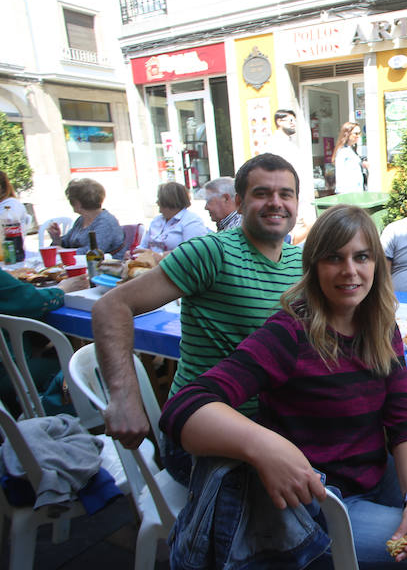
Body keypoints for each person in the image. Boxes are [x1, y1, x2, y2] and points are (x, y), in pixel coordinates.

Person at [159, 205, 407, 568]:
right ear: (313, 266)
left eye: (361, 257)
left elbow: (403, 419)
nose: (350, 271)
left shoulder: (380, 328)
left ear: (377, 264)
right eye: (334, 258)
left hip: (375, 473)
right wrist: (263, 447)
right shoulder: (290, 333)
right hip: (317, 507)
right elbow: (184, 407)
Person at [92, 153, 304, 484]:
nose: (275, 203)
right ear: (238, 202)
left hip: (277, 428)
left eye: (285, 194)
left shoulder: (302, 261)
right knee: (322, 497)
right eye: (262, 193)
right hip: (203, 438)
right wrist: (123, 396)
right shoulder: (210, 252)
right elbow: (112, 306)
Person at [0, 271, 89, 416]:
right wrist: (62, 290)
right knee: (81, 367)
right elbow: (30, 301)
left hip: (12, 361)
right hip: (8, 370)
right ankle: (73, 417)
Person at [265, 109, 316, 243]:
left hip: (298, 197)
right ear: (279, 121)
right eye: (290, 120)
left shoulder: (288, 144)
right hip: (289, 198)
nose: (294, 124)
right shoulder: (275, 144)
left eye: (295, 120)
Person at [49, 178, 125, 258]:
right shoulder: (81, 220)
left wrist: (63, 251)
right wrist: (56, 238)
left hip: (105, 267)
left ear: (77, 203)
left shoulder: (106, 222)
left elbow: (94, 252)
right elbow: (66, 243)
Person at [135, 182, 209, 261]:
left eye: (159, 199)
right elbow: (143, 246)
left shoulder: (191, 221)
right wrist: (134, 253)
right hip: (149, 265)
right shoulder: (157, 220)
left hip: (174, 268)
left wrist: (157, 255)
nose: (157, 202)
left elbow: (193, 252)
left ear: (168, 201)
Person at [333, 121, 367, 193]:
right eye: (356, 133)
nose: (358, 136)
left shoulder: (352, 150)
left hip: (357, 190)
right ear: (347, 134)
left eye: (359, 133)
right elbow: (340, 173)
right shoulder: (342, 151)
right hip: (348, 192)